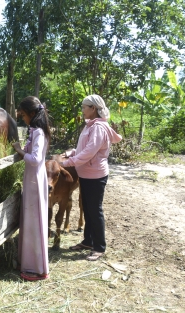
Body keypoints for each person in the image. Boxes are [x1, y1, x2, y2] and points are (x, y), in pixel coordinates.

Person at [60, 94, 122, 261]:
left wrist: (67, 163)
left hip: (95, 176)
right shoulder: (90, 126)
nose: (82, 110)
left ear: (93, 108)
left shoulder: (98, 128)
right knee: (87, 209)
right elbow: (83, 148)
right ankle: (88, 241)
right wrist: (70, 153)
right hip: (86, 175)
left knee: (95, 210)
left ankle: (99, 246)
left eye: (84, 107)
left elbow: (89, 152)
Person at [12, 96, 51, 281]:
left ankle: (35, 268)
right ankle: (29, 263)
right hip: (33, 179)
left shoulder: (38, 133)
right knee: (30, 221)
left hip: (34, 180)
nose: (23, 118)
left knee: (33, 223)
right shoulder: (36, 131)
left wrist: (20, 151)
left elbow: (35, 160)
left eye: (24, 115)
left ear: (33, 114)